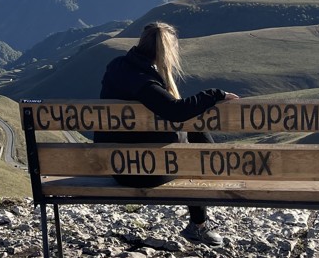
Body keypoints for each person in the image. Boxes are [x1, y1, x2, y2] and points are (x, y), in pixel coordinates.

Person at [96, 21, 239, 246]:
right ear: (167, 51)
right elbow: (176, 111)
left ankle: (212, 167)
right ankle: (198, 224)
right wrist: (216, 94)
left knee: (193, 133)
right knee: (194, 144)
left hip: (116, 163)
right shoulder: (144, 81)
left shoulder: (117, 67)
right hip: (140, 171)